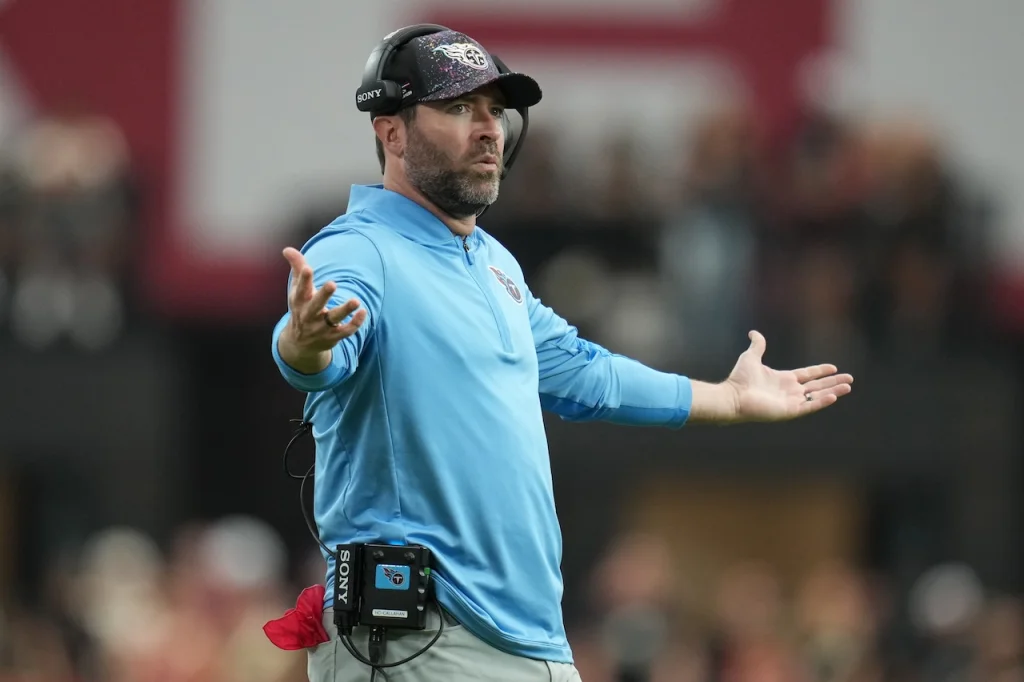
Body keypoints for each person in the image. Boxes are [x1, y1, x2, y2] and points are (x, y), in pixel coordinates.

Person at [270, 26, 853, 682]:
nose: (488, 128)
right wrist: (306, 344)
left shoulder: (493, 263)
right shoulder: (358, 248)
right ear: (391, 131)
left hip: (526, 642)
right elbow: (318, 349)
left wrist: (729, 398)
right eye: (459, 108)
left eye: (496, 109)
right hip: (421, 639)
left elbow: (584, 371)